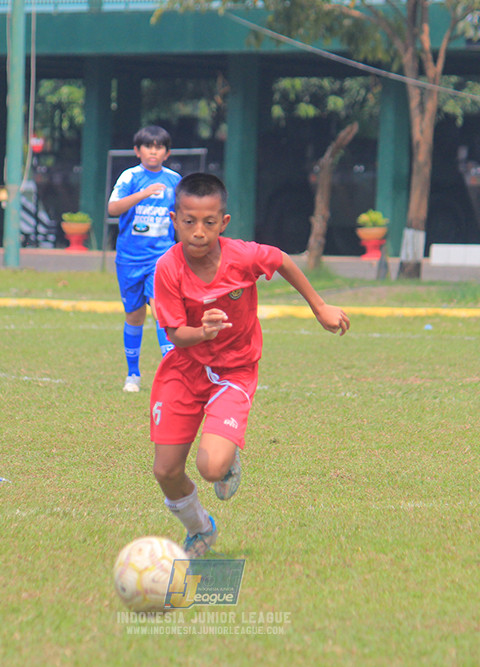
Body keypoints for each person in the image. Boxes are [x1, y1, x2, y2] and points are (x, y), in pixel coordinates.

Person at [150, 173, 350, 556]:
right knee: (166, 471)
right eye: (188, 221)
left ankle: (226, 460)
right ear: (174, 219)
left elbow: (281, 260)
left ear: (223, 223)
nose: (198, 232)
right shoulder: (168, 268)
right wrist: (202, 332)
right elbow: (175, 333)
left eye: (209, 223)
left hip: (234, 372)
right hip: (185, 369)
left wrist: (319, 306)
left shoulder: (243, 256)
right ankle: (200, 528)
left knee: (210, 467)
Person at [107, 125, 182, 393]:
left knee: (160, 310)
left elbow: (184, 216)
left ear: (167, 152)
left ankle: (171, 374)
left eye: (159, 147)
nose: (154, 151)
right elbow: (113, 208)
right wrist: (143, 194)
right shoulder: (130, 177)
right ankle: (133, 374)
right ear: (138, 151)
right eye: (148, 146)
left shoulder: (175, 180)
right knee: (135, 314)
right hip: (129, 258)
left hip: (161, 258)